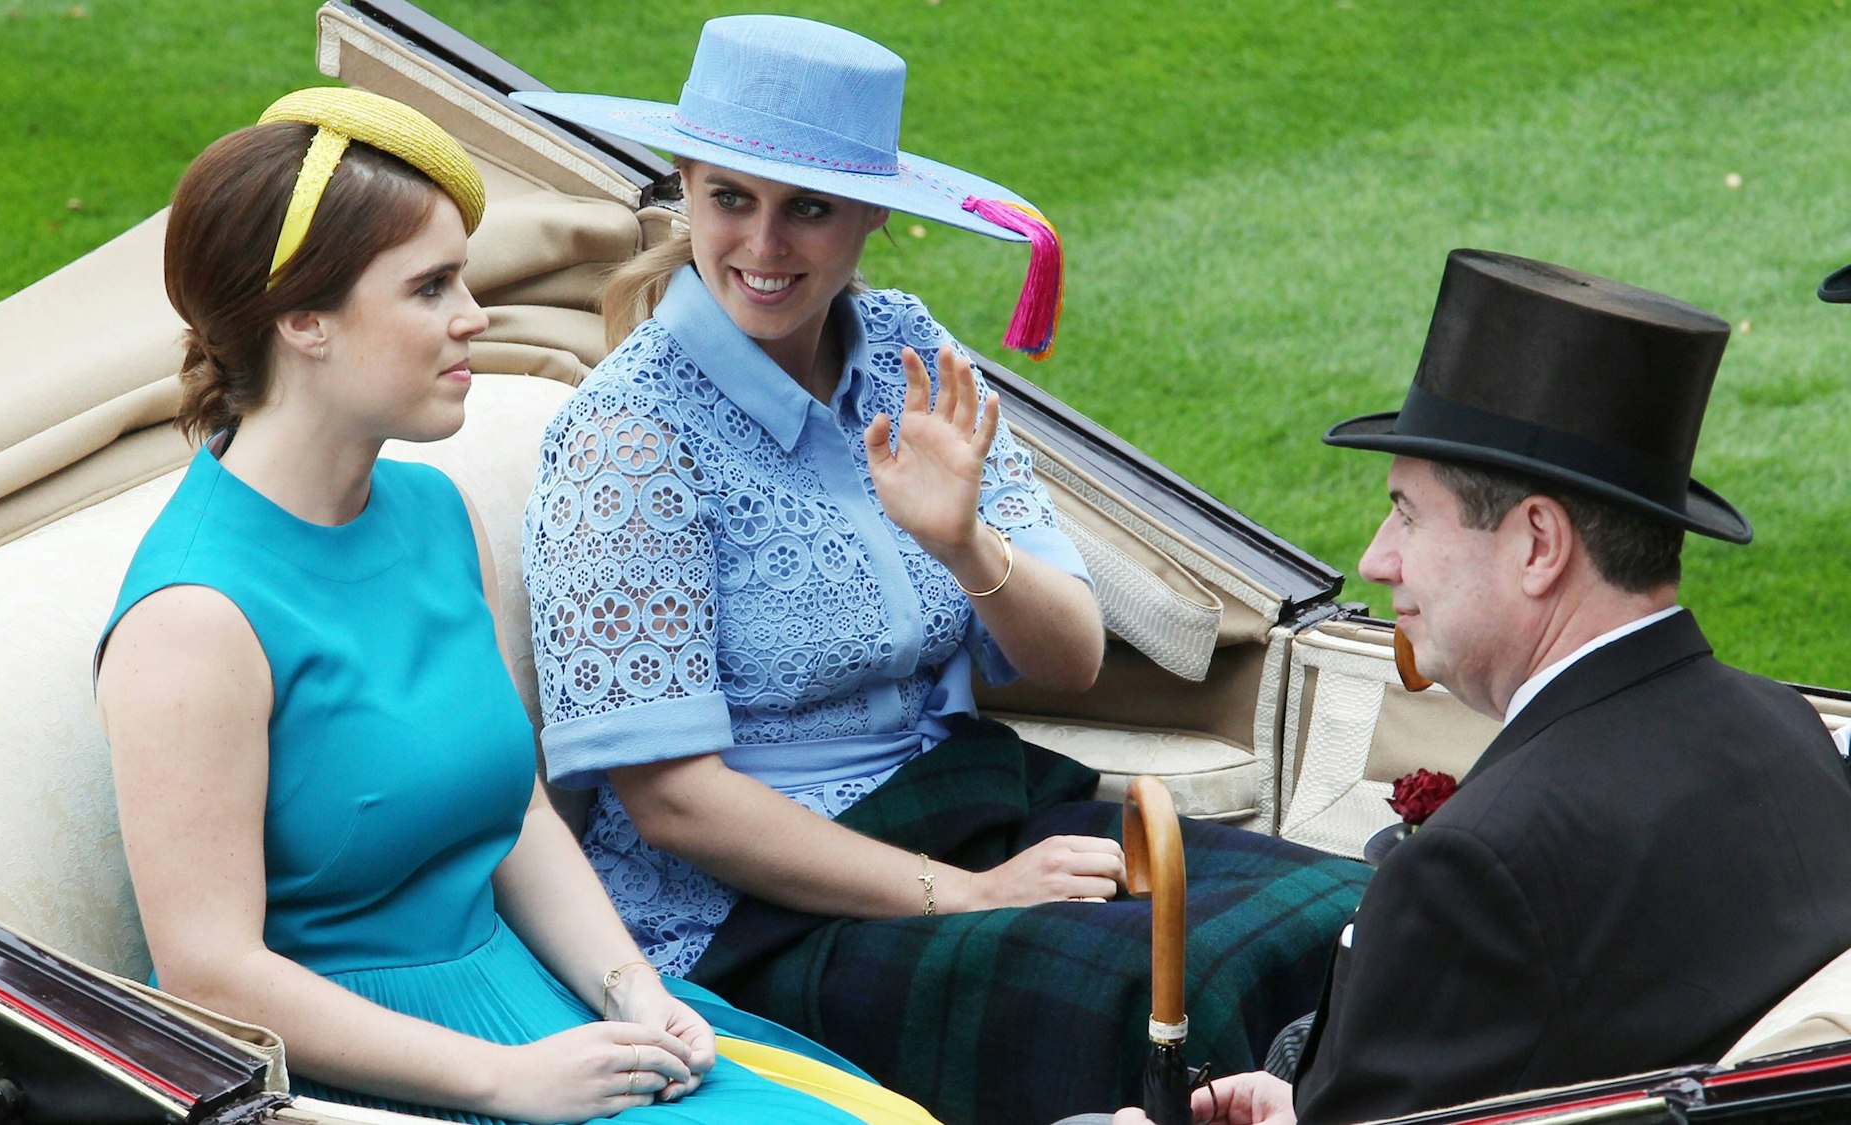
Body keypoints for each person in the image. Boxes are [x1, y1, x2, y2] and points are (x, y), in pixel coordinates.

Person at [513, 17, 1370, 1125]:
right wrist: (962, 898)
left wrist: (963, 542)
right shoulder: (626, 438)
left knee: (1351, 916)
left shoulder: (910, 352)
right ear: (684, 185)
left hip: (960, 809)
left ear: (873, 214)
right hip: (750, 918)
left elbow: (1067, 656)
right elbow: (673, 803)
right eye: (729, 198)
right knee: (1177, 996)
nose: (763, 244)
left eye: (808, 208)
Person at [95, 86, 928, 1125]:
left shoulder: (427, 511)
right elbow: (209, 978)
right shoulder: (193, 621)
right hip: (390, 1082)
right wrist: (506, 1081)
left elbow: (514, 813)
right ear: (301, 320)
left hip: (541, 1005)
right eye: (430, 286)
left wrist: (630, 987)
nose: (471, 317)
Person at [1096, 249, 1851, 1125]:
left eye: (1408, 513)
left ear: (1538, 544)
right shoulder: (1791, 737)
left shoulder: (1477, 868)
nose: (1379, 558)